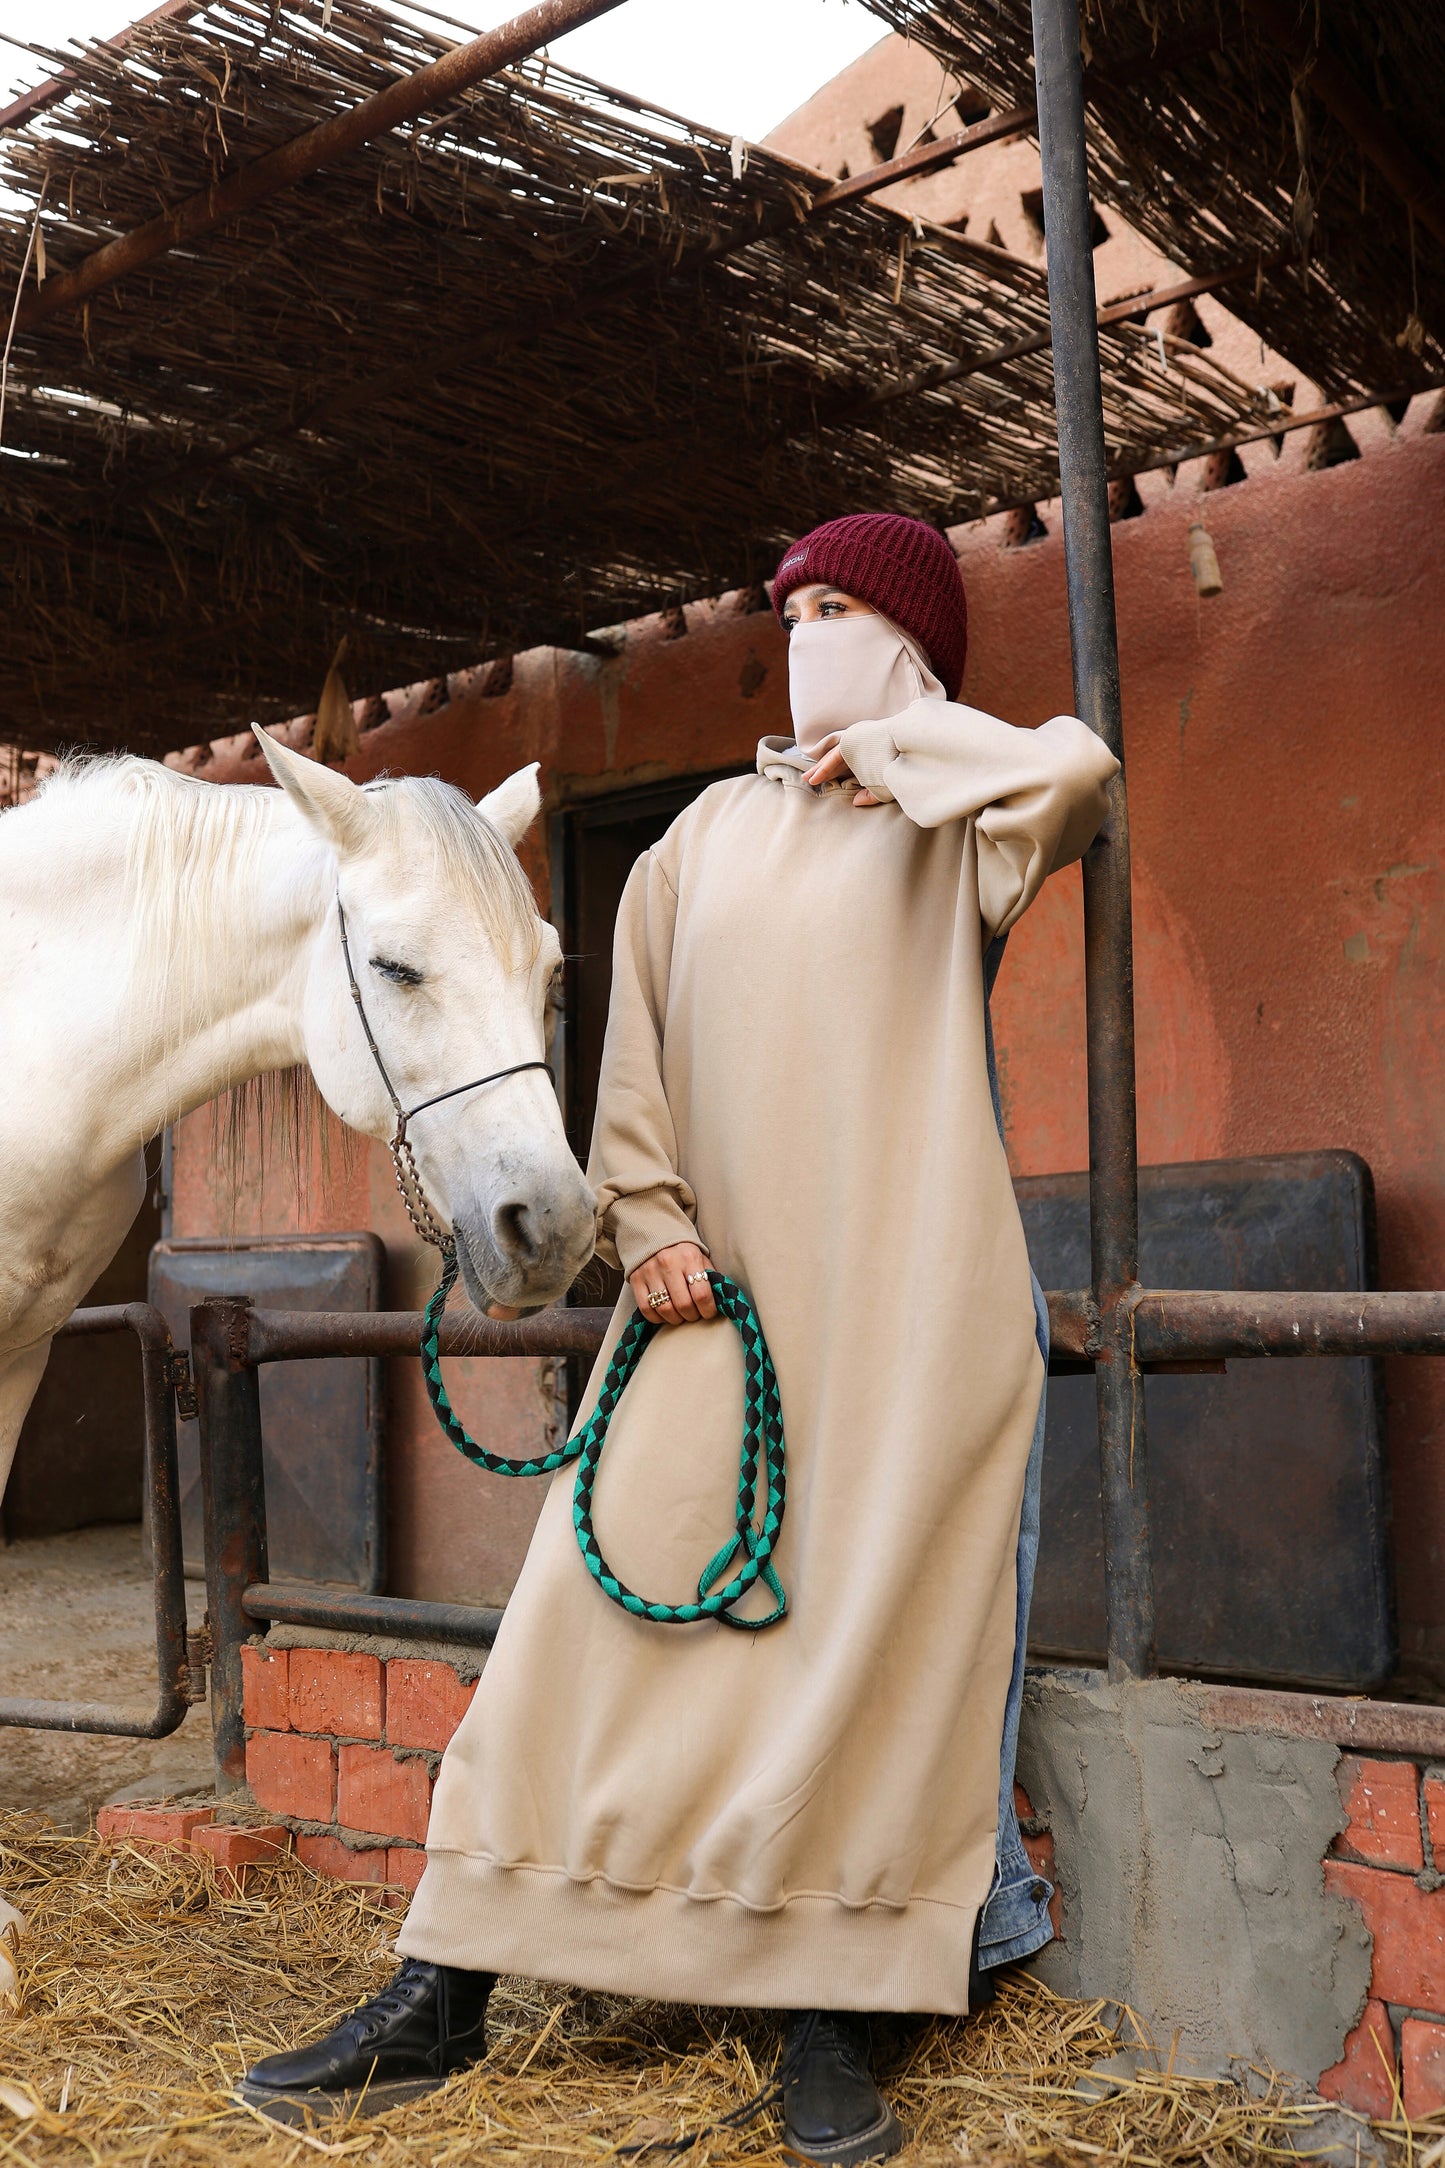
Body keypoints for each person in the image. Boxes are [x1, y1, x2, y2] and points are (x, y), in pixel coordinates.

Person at [242, 513, 1119, 2163]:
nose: (804, 634)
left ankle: (831, 2018)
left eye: (842, 611)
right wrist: (648, 1230)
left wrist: (907, 740)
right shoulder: (690, 848)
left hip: (916, 1315)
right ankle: (447, 1984)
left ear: (914, 646)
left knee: (873, 1659)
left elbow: (1073, 777)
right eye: (792, 611)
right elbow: (630, 1077)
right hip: (718, 1304)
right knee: (581, 1622)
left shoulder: (954, 835)